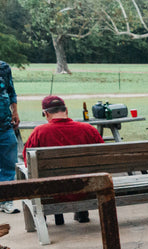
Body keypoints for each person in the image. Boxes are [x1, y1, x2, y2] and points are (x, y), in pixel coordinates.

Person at [22, 95, 104, 225]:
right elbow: (103, 157)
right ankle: (82, 211)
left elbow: (28, 163)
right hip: (85, 186)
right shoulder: (88, 129)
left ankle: (42, 216)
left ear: (45, 113)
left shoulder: (39, 132)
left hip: (53, 189)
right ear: (66, 110)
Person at [0, 61, 20, 214]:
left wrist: (15, 112)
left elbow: (11, 91)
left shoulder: (4, 67)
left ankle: (6, 201)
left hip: (5, 125)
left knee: (9, 164)